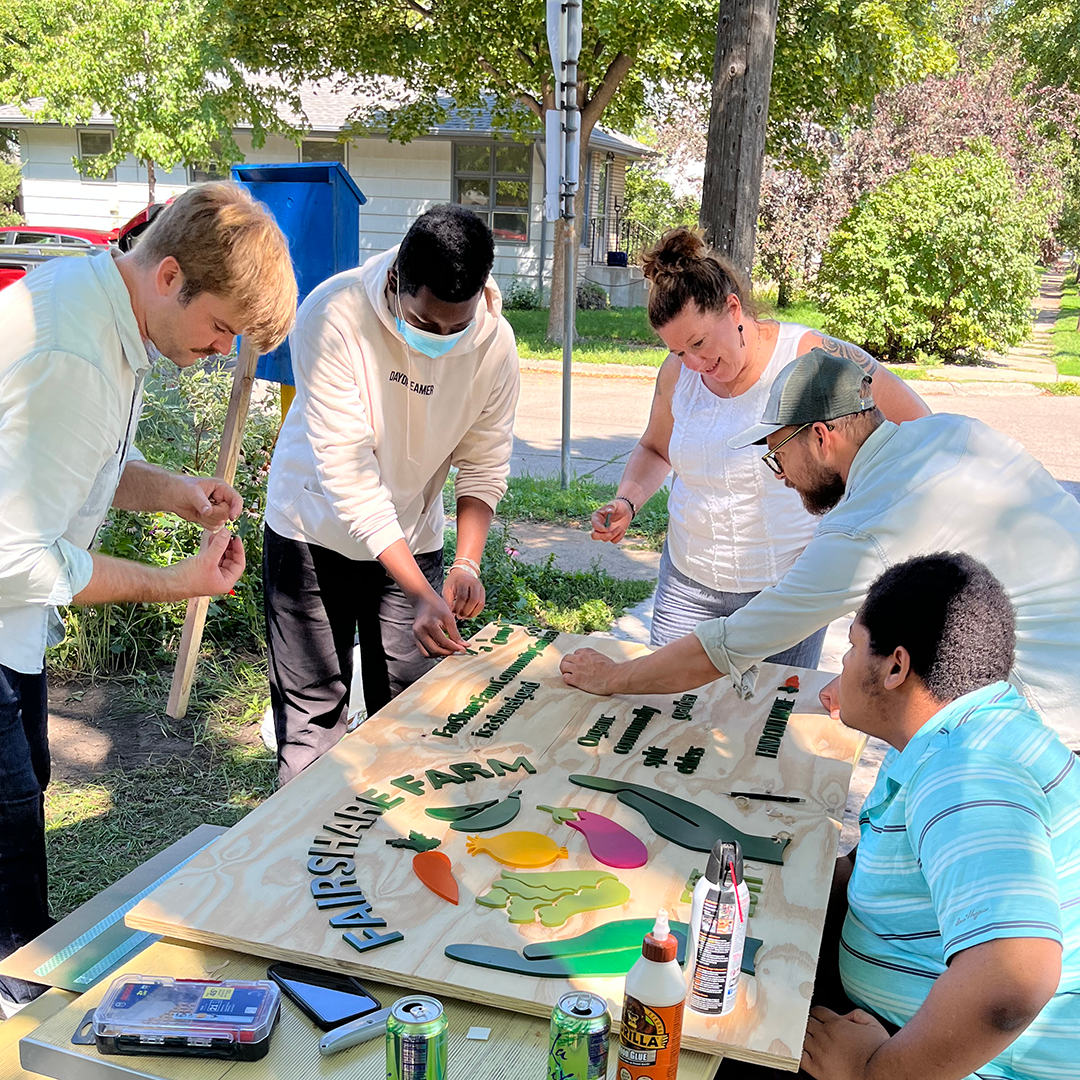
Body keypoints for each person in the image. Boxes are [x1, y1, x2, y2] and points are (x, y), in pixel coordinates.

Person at [0, 181, 296, 1009]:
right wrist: (174, 583)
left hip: (13, 631)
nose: (220, 349)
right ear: (170, 276)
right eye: (221, 328)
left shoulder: (104, 310)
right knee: (11, 894)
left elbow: (86, 463)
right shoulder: (74, 353)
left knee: (22, 813)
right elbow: (15, 557)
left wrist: (175, 494)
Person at [560, 348, 1080, 750]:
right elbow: (950, 592)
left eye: (777, 454)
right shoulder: (952, 431)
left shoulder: (863, 528)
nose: (780, 475)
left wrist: (613, 676)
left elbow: (730, 643)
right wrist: (859, 674)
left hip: (1051, 722)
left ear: (822, 437)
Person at [796, 552, 1079, 1080]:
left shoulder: (963, 772)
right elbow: (887, 867)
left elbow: (1011, 983)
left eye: (853, 647)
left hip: (960, 1062)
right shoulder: (959, 730)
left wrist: (871, 1071)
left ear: (895, 667)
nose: (843, 666)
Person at [264, 204, 520, 784]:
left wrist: (466, 563)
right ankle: (309, 834)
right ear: (396, 278)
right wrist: (421, 592)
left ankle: (396, 837)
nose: (442, 341)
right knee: (312, 719)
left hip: (413, 533)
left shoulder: (496, 345)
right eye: (427, 324)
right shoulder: (333, 315)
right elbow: (350, 477)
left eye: (457, 327)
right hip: (313, 530)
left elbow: (484, 462)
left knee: (411, 710)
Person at [588, 228, 928, 663]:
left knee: (771, 707)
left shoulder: (809, 355)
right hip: (687, 586)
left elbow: (918, 426)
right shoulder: (679, 375)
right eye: (679, 352)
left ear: (733, 309)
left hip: (785, 594)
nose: (695, 363)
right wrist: (627, 501)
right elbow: (656, 449)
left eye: (699, 343)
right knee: (668, 701)